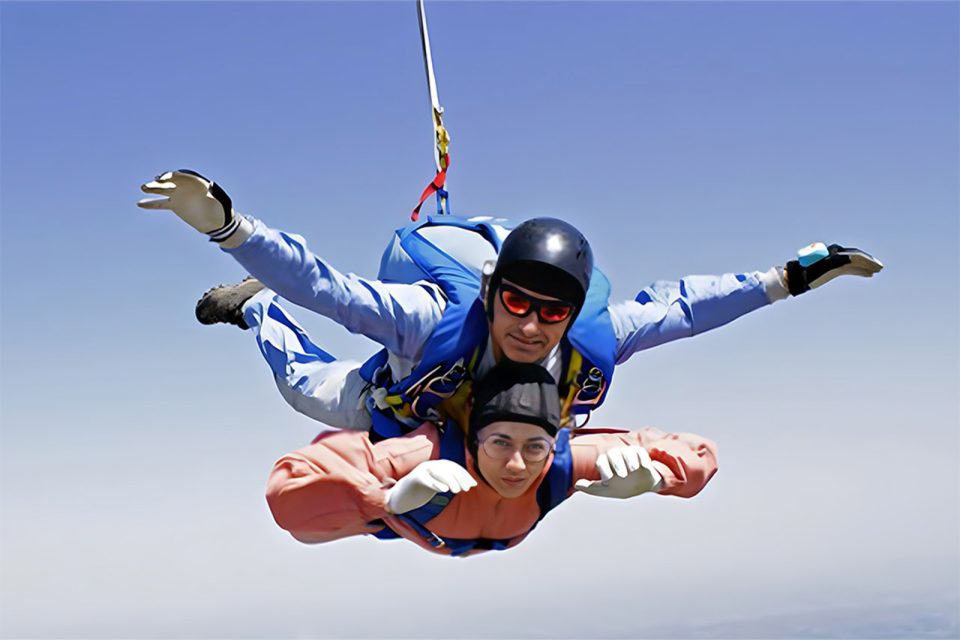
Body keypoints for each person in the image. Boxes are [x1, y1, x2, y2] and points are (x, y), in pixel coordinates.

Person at [138, 170, 883, 436]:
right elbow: (325, 286)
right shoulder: (427, 316)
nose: (530, 325)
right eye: (517, 303)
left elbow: (686, 308)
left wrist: (789, 277)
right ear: (492, 292)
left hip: (474, 417)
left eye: (551, 313)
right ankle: (257, 311)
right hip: (394, 398)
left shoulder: (593, 337)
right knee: (306, 391)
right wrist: (234, 231)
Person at [265, 361, 718, 556]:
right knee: (306, 383)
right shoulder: (419, 457)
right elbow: (287, 495)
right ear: (474, 436)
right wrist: (386, 498)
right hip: (404, 520)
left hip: (447, 529)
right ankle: (258, 306)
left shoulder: (567, 461)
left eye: (534, 447)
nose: (518, 465)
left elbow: (698, 454)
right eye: (500, 443)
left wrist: (656, 476)